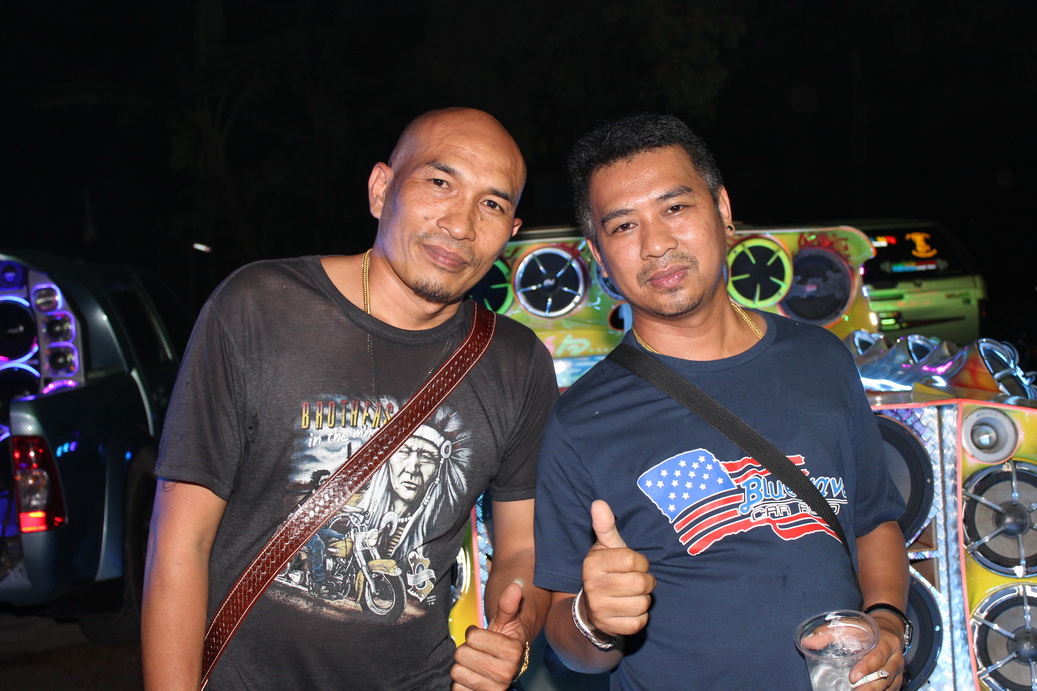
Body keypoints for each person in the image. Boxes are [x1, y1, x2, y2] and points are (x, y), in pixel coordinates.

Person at [142, 107, 558, 690]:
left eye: (491, 203)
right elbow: (178, 547)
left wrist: (518, 628)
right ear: (381, 189)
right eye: (440, 182)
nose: (461, 224)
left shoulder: (516, 362)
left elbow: (522, 546)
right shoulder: (259, 308)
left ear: (511, 232)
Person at [533, 113, 909, 690]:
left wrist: (886, 623)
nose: (657, 244)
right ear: (599, 256)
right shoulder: (580, 421)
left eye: (675, 208)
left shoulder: (822, 360)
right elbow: (570, 645)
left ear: (723, 209)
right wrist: (593, 619)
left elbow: (874, 520)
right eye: (624, 226)